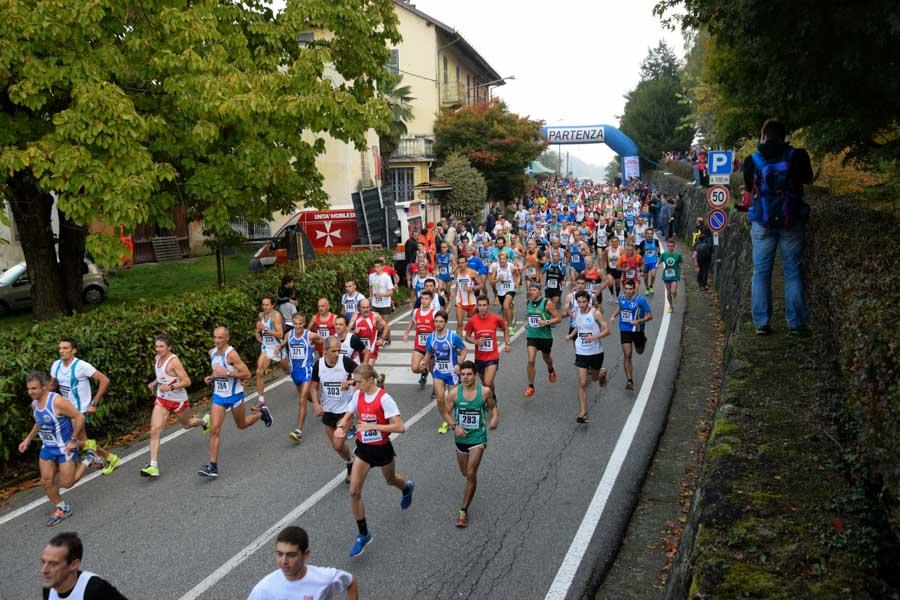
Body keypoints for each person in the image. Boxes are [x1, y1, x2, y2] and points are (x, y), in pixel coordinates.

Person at [740, 118, 814, 335]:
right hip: (791, 220)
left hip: (762, 222)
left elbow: (748, 187)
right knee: (792, 272)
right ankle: (796, 324)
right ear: (784, 135)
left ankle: (762, 323)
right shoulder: (797, 156)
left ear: (763, 136)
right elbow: (808, 179)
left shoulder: (752, 160)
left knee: (761, 273)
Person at [334, 364, 414, 558]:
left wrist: (374, 426)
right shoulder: (357, 395)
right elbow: (348, 415)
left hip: (382, 449)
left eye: (359, 382)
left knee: (390, 480)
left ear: (370, 380)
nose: (356, 385)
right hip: (364, 450)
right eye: (355, 381)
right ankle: (364, 534)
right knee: (354, 492)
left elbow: (400, 427)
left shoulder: (384, 399)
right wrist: (341, 426)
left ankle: (406, 488)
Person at [18, 372, 92, 526]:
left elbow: (80, 417)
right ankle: (62, 508)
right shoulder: (35, 404)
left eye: (34, 388)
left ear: (44, 387)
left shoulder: (57, 402)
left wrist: (73, 440)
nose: (30, 392)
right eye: (28, 389)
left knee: (67, 483)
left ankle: (88, 459)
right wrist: (28, 439)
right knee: (46, 481)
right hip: (47, 448)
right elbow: (39, 422)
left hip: (64, 447)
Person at [200, 327, 272, 478]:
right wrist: (211, 377)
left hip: (234, 395)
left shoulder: (231, 354)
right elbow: (217, 370)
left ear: (227, 338)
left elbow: (246, 374)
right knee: (214, 430)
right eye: (215, 337)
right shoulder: (211, 353)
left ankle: (262, 414)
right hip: (219, 396)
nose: (217, 341)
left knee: (242, 425)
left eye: (220, 338)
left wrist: (227, 373)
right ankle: (212, 466)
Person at [140, 334, 208, 478]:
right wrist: (155, 383)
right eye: (156, 346)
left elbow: (187, 381)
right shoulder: (157, 358)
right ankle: (153, 466)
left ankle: (204, 422)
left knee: (188, 424)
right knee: (155, 430)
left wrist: (171, 387)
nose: (158, 349)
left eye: (161, 346)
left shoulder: (174, 361)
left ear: (169, 347)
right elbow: (161, 376)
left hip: (178, 400)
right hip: (162, 399)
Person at [440, 361, 498, 528]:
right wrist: (454, 426)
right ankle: (470, 485)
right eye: (462, 375)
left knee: (471, 472)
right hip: (461, 439)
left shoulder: (485, 392)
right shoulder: (454, 393)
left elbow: (493, 408)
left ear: (474, 375)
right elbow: (445, 412)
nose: (465, 377)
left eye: (468, 374)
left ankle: (463, 511)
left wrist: (494, 418)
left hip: (478, 437)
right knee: (465, 473)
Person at [49, 338, 119, 475]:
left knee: (77, 440)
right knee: (83, 441)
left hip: (79, 410)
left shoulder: (82, 366)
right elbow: (53, 385)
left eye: (65, 348)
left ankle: (106, 458)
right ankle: (104, 458)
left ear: (73, 350)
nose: (61, 351)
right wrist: (43, 399)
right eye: (60, 348)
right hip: (65, 409)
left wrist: (93, 403)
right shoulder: (56, 365)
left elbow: (104, 380)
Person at [310, 337, 358, 484]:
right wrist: (316, 404)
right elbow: (313, 387)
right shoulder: (319, 365)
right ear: (325, 351)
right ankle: (351, 462)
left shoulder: (345, 361)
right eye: (333, 351)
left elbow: (364, 376)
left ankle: (356, 457)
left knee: (338, 444)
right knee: (337, 447)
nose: (337, 354)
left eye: (339, 350)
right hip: (328, 411)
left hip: (345, 410)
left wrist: (349, 382)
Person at [565, 291, 610, 423]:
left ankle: (601, 374)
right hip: (581, 351)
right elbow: (579, 327)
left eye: (584, 302)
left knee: (595, 379)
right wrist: (571, 335)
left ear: (588, 301)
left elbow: (608, 330)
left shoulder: (595, 313)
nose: (581, 304)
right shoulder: (577, 312)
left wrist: (594, 337)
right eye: (579, 302)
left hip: (596, 351)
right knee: (582, 383)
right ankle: (583, 412)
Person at [41, 532, 128, 599]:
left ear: (74, 565)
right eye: (43, 562)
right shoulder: (49, 588)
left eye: (54, 564)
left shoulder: (95, 589)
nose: (44, 570)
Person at [280, 313, 324, 443]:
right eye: (295, 324)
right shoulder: (289, 335)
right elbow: (284, 343)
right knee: (308, 397)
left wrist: (324, 353)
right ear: (292, 324)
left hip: (307, 370)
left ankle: (298, 430)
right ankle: (322, 406)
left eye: (300, 324)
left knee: (302, 399)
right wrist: (279, 347)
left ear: (304, 324)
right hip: (295, 372)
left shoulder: (309, 335)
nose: (298, 326)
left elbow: (323, 340)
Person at [424, 310, 467, 434]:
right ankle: (447, 420)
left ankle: (448, 420)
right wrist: (424, 361)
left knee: (452, 399)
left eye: (441, 322)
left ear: (446, 322)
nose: (438, 324)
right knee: (440, 399)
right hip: (438, 372)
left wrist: (459, 364)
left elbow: (464, 350)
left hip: (452, 373)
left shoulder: (453, 336)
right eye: (436, 321)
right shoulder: (431, 338)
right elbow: (428, 353)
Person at [464, 295, 510, 407]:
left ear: (487, 306)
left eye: (484, 305)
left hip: (492, 357)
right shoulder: (472, 320)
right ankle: (492, 396)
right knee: (486, 383)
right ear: (477, 307)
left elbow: (505, 328)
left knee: (487, 383)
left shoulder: (495, 318)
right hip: (479, 358)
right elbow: (467, 337)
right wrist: (475, 342)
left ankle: (489, 402)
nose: (482, 308)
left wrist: (507, 343)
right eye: (480, 305)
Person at [610, 280, 653, 391]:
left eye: (630, 289)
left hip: (638, 329)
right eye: (626, 289)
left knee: (639, 351)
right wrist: (614, 315)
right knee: (627, 355)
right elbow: (620, 308)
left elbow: (650, 316)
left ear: (634, 289)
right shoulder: (621, 298)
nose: (628, 291)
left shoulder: (641, 300)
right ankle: (629, 381)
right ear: (624, 288)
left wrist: (639, 321)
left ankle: (643, 341)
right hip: (625, 329)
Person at [523, 281, 561, 397]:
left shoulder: (547, 303)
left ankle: (550, 369)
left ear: (539, 291)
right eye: (531, 290)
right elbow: (530, 317)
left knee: (547, 358)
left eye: (534, 290)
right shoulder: (528, 302)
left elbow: (558, 318)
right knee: (531, 360)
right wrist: (527, 324)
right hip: (532, 336)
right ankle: (531, 386)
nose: (532, 292)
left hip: (545, 336)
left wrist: (546, 322)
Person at [254, 293, 289, 408]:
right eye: (263, 305)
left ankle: (298, 380)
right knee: (259, 372)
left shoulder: (276, 316)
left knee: (287, 371)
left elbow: (280, 334)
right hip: (266, 348)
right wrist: (257, 333)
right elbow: (258, 329)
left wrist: (265, 329)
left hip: (277, 348)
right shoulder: (261, 315)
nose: (265, 307)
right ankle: (261, 400)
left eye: (267, 305)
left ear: (272, 305)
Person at [404, 289, 437, 389]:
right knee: (414, 368)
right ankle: (424, 372)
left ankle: (436, 390)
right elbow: (412, 322)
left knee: (433, 371)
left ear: (431, 300)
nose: (423, 301)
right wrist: (406, 333)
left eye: (426, 299)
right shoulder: (416, 312)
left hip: (431, 348)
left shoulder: (434, 313)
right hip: (419, 346)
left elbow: (440, 328)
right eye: (422, 298)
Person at [488, 250, 520, 333]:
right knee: (504, 309)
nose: (502, 260)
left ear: (507, 259)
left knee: (506, 306)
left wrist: (516, 283)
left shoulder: (511, 266)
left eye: (504, 258)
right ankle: (510, 322)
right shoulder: (495, 267)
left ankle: (509, 327)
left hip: (510, 289)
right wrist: (498, 279)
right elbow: (491, 281)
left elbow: (518, 275)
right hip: (500, 291)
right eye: (501, 259)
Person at [452, 255, 483, 338]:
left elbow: (481, 285)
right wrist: (453, 296)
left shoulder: (472, 272)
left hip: (471, 301)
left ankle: (476, 338)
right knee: (459, 323)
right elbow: (457, 285)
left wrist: (472, 288)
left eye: (463, 262)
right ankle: (459, 344)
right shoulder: (457, 272)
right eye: (459, 263)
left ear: (466, 263)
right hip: (460, 301)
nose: (461, 264)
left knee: (473, 322)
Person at [368, 258, 395, 325]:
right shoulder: (371, 276)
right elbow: (370, 288)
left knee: (385, 325)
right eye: (375, 266)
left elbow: (391, 292)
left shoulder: (386, 277)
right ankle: (378, 336)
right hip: (375, 304)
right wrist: (371, 299)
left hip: (385, 304)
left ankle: (386, 336)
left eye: (378, 267)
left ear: (382, 267)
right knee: (375, 325)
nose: (376, 268)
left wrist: (382, 294)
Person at [660, 238, 683, 312]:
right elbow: (660, 261)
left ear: (674, 246)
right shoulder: (664, 255)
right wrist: (657, 266)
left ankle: (675, 295)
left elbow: (681, 263)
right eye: (669, 246)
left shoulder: (678, 255)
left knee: (673, 291)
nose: (671, 248)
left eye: (672, 246)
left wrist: (682, 273)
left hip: (675, 275)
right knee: (669, 292)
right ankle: (670, 306)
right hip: (666, 276)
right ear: (667, 246)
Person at [638, 228, 661, 295]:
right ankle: (647, 288)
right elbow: (638, 254)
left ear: (653, 234)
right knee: (645, 278)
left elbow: (658, 250)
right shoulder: (642, 243)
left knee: (653, 275)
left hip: (653, 261)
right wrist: (640, 268)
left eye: (651, 233)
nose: (649, 235)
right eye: (648, 234)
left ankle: (651, 286)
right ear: (645, 235)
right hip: (645, 263)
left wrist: (659, 262)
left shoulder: (656, 241)